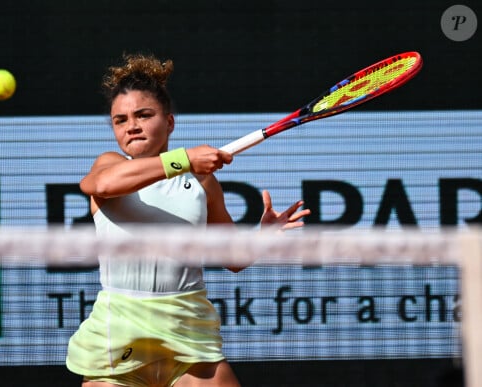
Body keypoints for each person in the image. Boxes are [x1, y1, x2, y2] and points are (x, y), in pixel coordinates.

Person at [66, 53, 311, 387]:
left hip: (187, 329)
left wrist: (262, 235)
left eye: (143, 115)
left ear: (169, 122)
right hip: (119, 332)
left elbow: (232, 258)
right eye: (120, 120)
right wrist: (184, 159)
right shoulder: (109, 164)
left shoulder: (202, 182)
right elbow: (102, 185)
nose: (131, 126)